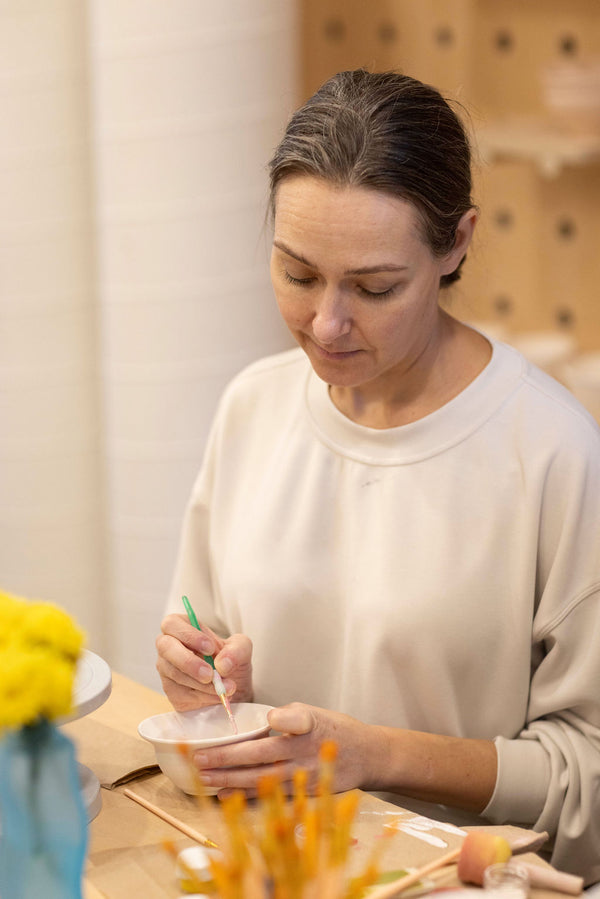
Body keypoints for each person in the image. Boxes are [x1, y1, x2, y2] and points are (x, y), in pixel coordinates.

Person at [156, 70, 600, 884]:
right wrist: (207, 682)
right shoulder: (254, 405)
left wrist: (378, 755)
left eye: (374, 287)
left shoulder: (555, 455)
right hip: (274, 867)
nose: (326, 323)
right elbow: (205, 635)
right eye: (297, 274)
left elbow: (589, 778)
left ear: (457, 243)